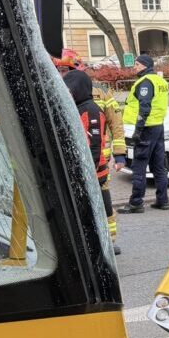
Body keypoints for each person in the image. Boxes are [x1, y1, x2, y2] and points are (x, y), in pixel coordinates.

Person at [63, 69, 114, 253]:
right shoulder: (79, 108)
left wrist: (87, 173)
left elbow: (94, 146)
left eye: (70, 89)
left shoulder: (90, 110)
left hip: (94, 173)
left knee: (97, 210)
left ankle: (102, 246)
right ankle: (96, 244)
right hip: (88, 171)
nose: (68, 93)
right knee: (92, 211)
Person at [118, 54, 169, 213]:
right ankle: (163, 201)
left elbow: (144, 107)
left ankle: (136, 203)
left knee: (139, 165)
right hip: (158, 126)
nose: (134, 67)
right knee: (159, 166)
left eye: (137, 65)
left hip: (146, 128)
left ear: (145, 65)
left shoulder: (145, 82)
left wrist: (138, 131)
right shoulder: (160, 81)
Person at [94, 84, 126, 253]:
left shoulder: (102, 92)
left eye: (65, 70)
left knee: (104, 200)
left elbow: (116, 123)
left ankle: (109, 240)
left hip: (100, 160)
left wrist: (119, 154)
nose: (63, 73)